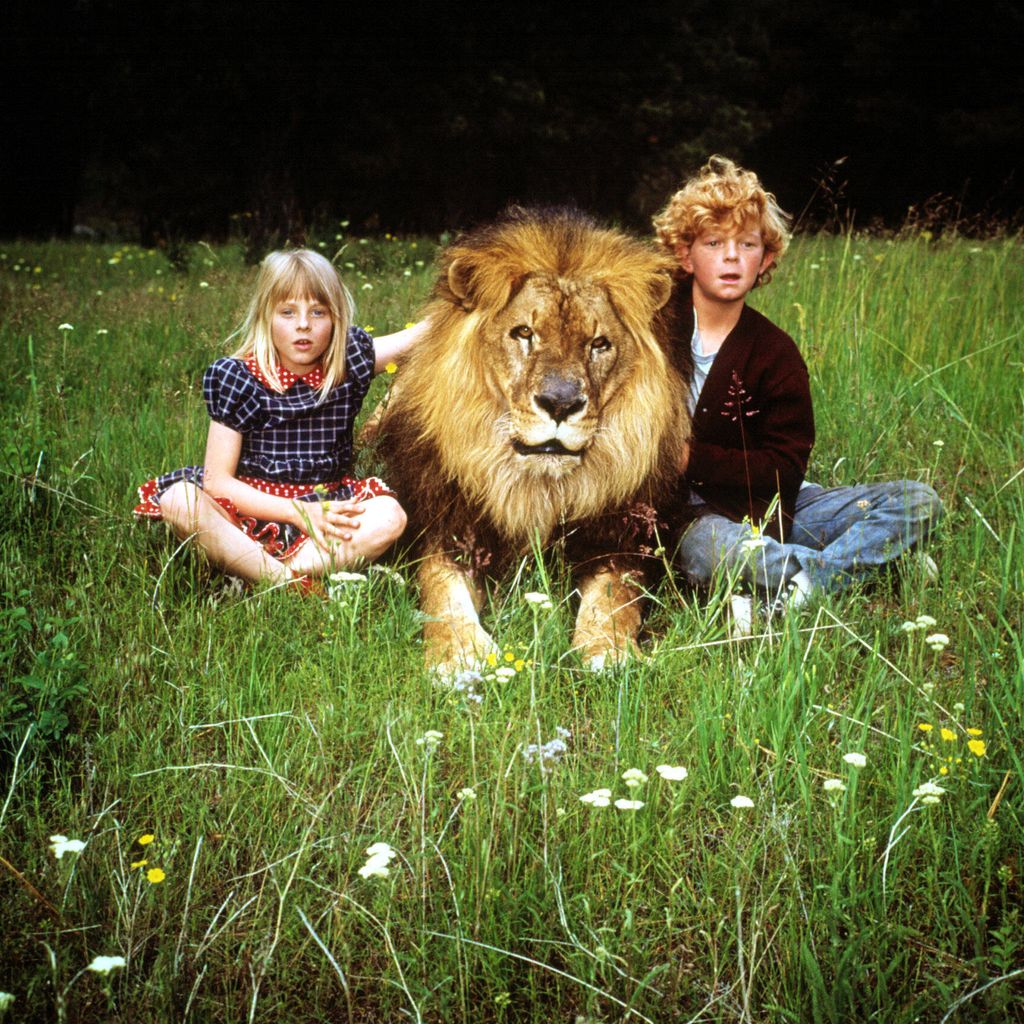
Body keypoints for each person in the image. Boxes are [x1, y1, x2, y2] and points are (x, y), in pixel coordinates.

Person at [653, 156, 941, 632]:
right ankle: (878, 567)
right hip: (692, 514)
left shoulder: (775, 352)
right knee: (709, 549)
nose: (731, 256)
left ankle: (797, 590)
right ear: (686, 255)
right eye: (713, 243)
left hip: (778, 508)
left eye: (747, 245)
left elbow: (785, 469)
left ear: (764, 259)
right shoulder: (653, 328)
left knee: (917, 500)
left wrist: (691, 459)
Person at [134, 249, 422, 589]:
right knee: (179, 501)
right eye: (287, 312)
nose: (303, 324)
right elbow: (218, 483)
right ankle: (291, 583)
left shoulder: (348, 362)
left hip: (327, 506)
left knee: (390, 518)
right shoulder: (238, 376)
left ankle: (250, 567)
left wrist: (476, 300)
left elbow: (420, 336)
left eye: (318, 311)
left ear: (336, 318)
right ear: (265, 316)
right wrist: (296, 512)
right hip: (250, 508)